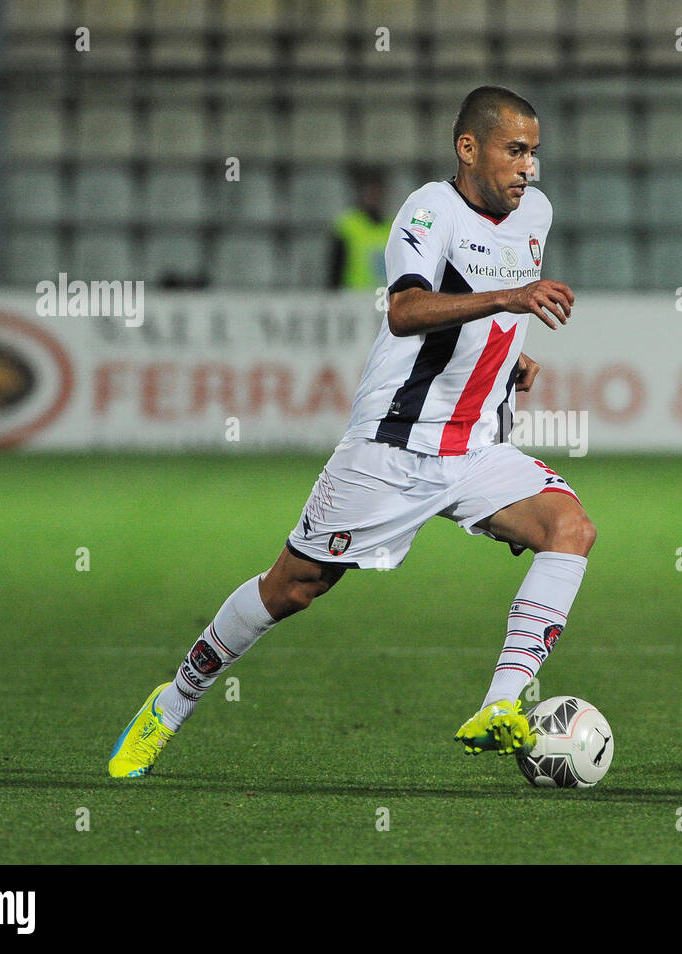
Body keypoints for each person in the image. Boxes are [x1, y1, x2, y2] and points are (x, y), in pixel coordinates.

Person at [109, 86, 593, 777]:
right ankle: (175, 700)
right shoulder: (429, 210)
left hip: (475, 447)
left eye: (534, 153)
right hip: (393, 447)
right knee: (291, 589)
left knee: (570, 530)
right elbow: (407, 309)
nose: (529, 169)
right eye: (515, 151)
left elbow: (490, 307)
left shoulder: (535, 213)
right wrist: (512, 300)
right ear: (469, 148)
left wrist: (508, 354)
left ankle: (501, 706)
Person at [328, 166, 392, 290]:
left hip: (385, 301)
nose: (374, 196)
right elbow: (335, 271)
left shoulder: (394, 227)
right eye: (370, 191)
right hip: (353, 300)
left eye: (378, 191)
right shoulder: (347, 226)